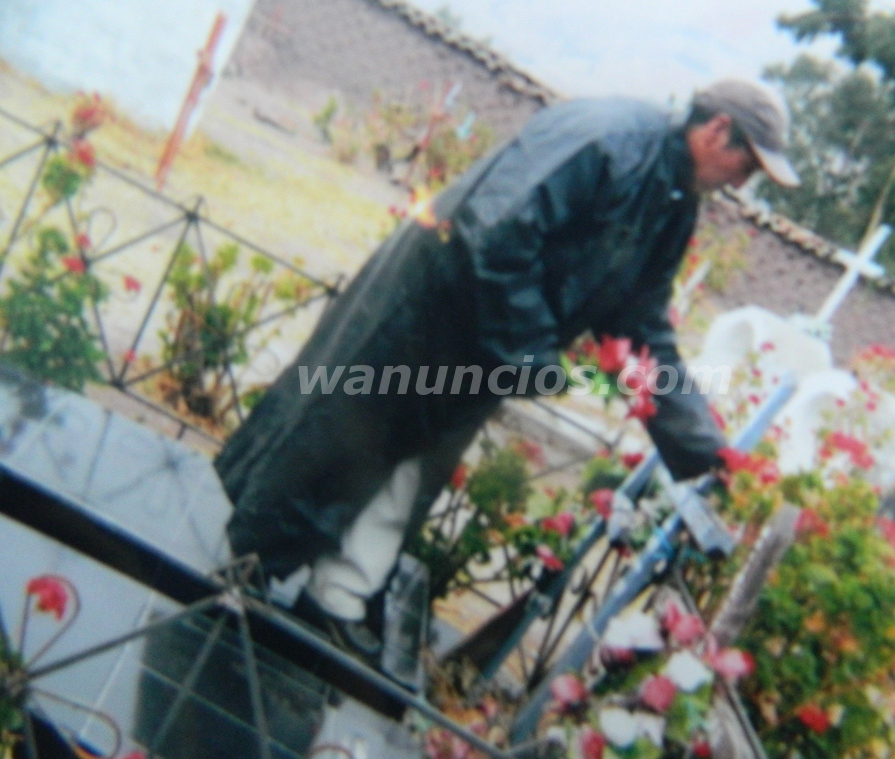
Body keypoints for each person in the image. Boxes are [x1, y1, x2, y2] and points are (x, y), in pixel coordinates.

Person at [215, 79, 799, 658]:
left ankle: (336, 599)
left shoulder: (673, 204)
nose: (740, 185)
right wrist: (531, 350)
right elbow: (494, 233)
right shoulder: (607, 141)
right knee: (336, 439)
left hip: (492, 339)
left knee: (416, 469)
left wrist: (705, 449)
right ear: (717, 130)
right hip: (432, 305)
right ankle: (244, 572)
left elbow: (641, 326)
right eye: (746, 167)